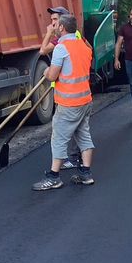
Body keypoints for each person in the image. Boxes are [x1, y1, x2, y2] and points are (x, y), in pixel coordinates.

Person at [32, 14, 95, 191]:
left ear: (62, 28)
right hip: (85, 100)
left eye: (56, 24)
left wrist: (45, 73)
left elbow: (52, 75)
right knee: (84, 135)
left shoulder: (61, 48)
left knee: (59, 139)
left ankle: (54, 177)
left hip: (69, 102)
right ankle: (86, 173)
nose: (55, 26)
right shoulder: (83, 45)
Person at [40, 6, 82, 170]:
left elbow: (42, 50)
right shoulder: (68, 38)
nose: (52, 23)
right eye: (51, 20)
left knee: (66, 129)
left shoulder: (65, 40)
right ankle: (77, 159)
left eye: (55, 20)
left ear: (63, 22)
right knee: (76, 128)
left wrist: (49, 33)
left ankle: (68, 161)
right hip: (68, 88)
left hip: (69, 90)